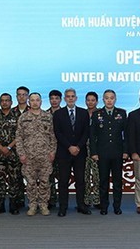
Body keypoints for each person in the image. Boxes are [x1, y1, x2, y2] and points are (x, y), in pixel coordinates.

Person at [16, 93, 56, 216]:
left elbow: (53, 136)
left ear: (41, 102)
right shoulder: (23, 118)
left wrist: (52, 152)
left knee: (45, 182)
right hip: (29, 156)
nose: (34, 102)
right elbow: (19, 137)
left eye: (37, 100)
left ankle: (43, 205)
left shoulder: (48, 116)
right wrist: (21, 154)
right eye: (32, 100)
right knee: (31, 183)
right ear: (29, 102)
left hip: (45, 156)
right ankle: (32, 205)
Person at [90, 89, 128, 215]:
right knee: (103, 182)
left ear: (115, 99)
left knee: (117, 182)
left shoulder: (122, 113)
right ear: (103, 100)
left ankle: (117, 207)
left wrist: (125, 151)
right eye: (107, 98)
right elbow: (92, 135)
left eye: (112, 98)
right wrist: (94, 153)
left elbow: (126, 135)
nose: (109, 100)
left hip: (117, 153)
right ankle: (104, 207)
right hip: (102, 154)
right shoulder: (97, 114)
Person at [54, 88, 90, 216]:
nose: (70, 98)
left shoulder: (83, 113)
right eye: (68, 96)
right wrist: (69, 146)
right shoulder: (58, 114)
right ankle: (63, 207)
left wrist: (78, 147)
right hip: (64, 152)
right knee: (63, 181)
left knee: (80, 181)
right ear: (64, 99)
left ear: (76, 98)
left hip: (80, 152)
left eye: (72, 96)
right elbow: (58, 133)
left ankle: (81, 205)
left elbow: (86, 132)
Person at [0, 92, 24, 215]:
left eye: (7, 100)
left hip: (13, 152)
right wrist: (1, 148)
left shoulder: (18, 115)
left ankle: (13, 205)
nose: (4, 102)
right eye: (2, 100)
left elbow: (20, 134)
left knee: (14, 179)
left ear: (11, 102)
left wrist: (8, 147)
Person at [84, 91, 100, 208]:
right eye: (88, 100)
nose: (90, 102)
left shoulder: (101, 114)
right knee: (85, 176)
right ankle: (86, 200)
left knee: (97, 176)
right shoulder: (81, 113)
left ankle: (97, 200)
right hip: (83, 149)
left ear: (97, 101)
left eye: (93, 100)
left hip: (97, 149)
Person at [47, 89, 62, 210]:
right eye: (52, 98)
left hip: (63, 149)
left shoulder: (66, 113)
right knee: (49, 176)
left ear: (60, 100)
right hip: (48, 151)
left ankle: (63, 199)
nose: (54, 101)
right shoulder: (45, 114)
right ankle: (51, 199)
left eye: (56, 98)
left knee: (63, 176)